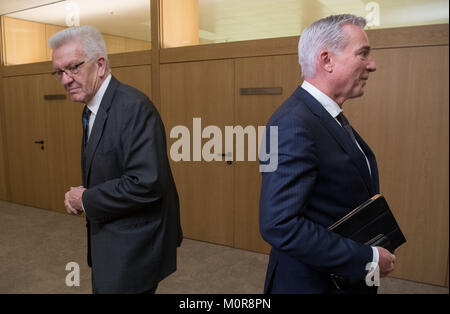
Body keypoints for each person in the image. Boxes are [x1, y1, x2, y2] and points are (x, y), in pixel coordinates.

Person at [259, 14, 396, 294]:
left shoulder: (325, 116)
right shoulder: (293, 123)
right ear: (327, 60)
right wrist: (366, 258)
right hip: (310, 284)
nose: (372, 65)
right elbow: (279, 224)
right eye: (363, 54)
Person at [50, 25, 182, 294]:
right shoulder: (90, 108)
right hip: (109, 240)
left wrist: (86, 199)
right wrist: (83, 195)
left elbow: (145, 183)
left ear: (100, 65)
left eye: (73, 67)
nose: (65, 80)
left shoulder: (134, 107)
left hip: (134, 248)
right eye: (59, 72)